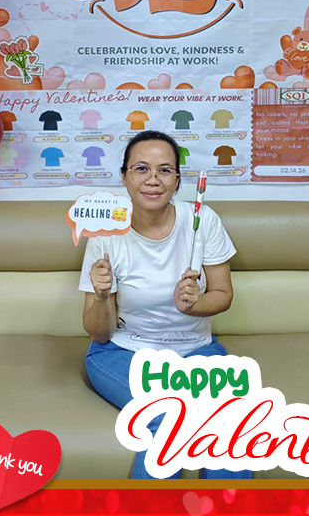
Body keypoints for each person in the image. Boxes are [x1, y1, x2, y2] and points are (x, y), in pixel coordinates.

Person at [78, 130, 252, 479]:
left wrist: (194, 305)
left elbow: (223, 295)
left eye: (165, 170)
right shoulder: (106, 234)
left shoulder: (203, 220)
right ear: (124, 177)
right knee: (166, 416)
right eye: (141, 169)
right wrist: (101, 296)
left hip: (196, 350)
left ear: (177, 180)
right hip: (123, 352)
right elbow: (99, 333)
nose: (153, 179)